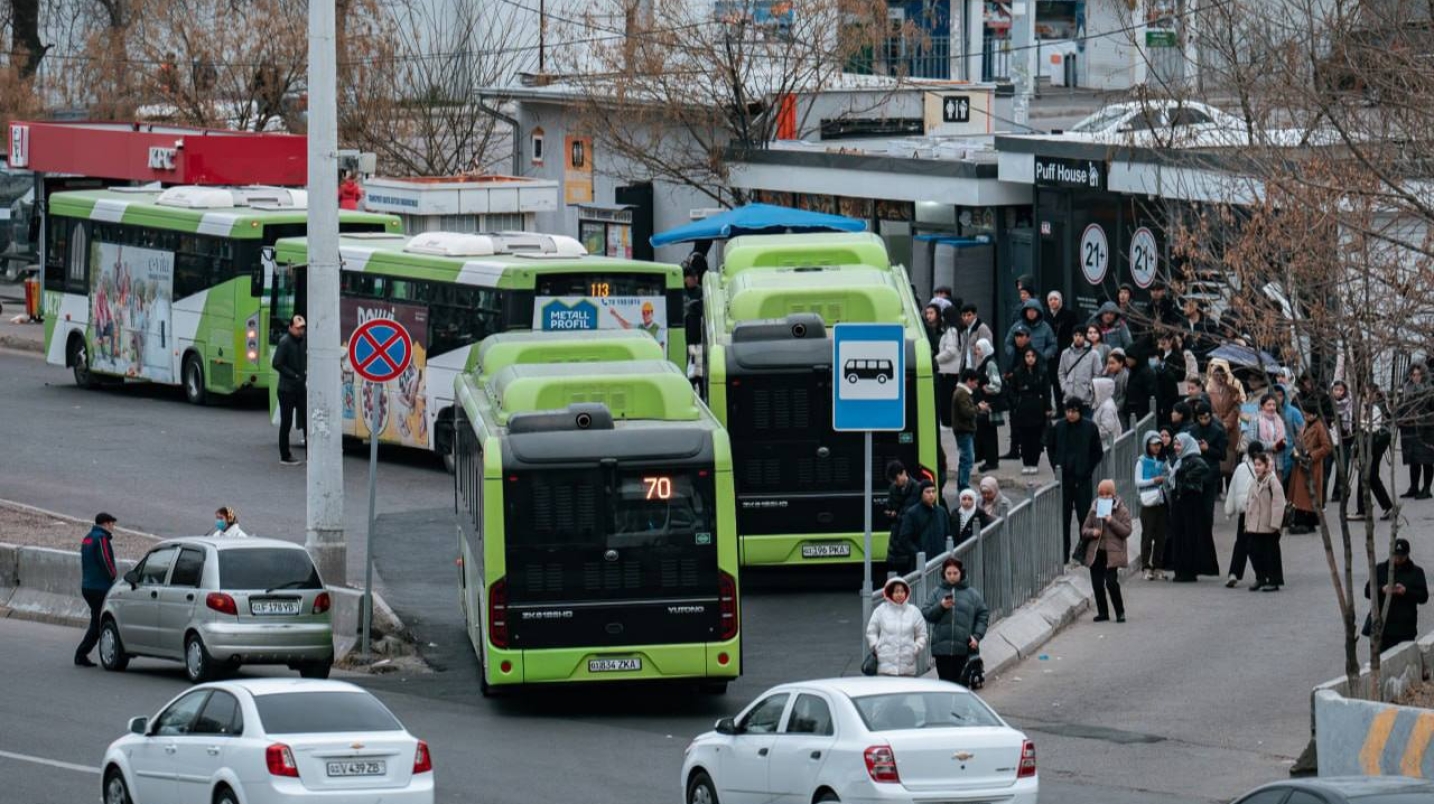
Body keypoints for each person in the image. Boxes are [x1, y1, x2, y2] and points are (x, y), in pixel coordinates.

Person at [1047, 397, 1104, 561]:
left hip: (1082, 479)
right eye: (1068, 411)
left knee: (1084, 518)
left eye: (1074, 411)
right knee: (1064, 518)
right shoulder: (1060, 427)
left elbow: (1097, 452)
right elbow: (1051, 447)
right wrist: (1056, 466)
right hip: (1064, 479)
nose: (1070, 414)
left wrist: (1087, 469)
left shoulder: (1089, 428)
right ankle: (1064, 554)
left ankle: (1083, 551)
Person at [922, 558, 989, 684]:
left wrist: (976, 636)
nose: (952, 577)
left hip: (964, 649)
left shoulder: (972, 594)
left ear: (961, 573)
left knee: (962, 686)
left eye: (955, 573)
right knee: (946, 685)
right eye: (949, 573)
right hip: (942, 651)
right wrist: (941, 606)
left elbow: (983, 615)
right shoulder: (936, 593)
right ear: (944, 574)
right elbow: (926, 613)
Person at [1164, 432, 1220, 582]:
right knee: (1179, 535)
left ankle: (1188, 570)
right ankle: (1180, 569)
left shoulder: (1193, 458)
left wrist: (1186, 477)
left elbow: (1204, 469)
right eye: (1175, 444)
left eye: (1178, 444)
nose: (1176, 447)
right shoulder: (1179, 460)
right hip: (1180, 502)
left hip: (1190, 502)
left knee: (1189, 535)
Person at [1079, 480, 1133, 622]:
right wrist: (1092, 532)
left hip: (1112, 553)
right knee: (1097, 583)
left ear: (1113, 494)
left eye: (1108, 494)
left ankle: (1120, 612)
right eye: (1101, 494)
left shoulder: (1121, 510)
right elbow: (1084, 529)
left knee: (1111, 582)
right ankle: (1103, 612)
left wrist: (1111, 521)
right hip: (1097, 552)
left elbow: (1127, 531)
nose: (1104, 497)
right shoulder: (1094, 509)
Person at [1364, 538, 1429, 650]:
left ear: (1407, 555)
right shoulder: (1380, 569)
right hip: (1382, 627)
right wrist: (1381, 590)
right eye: (1395, 556)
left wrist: (1406, 592)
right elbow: (1367, 591)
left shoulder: (1416, 572)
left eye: (1401, 557)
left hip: (1404, 629)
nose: (1398, 559)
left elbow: (1423, 597)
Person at [75, 513, 119, 667]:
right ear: (106, 524)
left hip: (88, 585)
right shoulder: (101, 539)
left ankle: (82, 654)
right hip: (99, 587)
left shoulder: (88, 537)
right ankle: (81, 654)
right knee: (99, 623)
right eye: (112, 524)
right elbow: (105, 559)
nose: (113, 527)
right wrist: (113, 575)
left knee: (97, 620)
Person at [866, 577, 928, 677]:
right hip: (884, 666)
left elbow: (922, 635)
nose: (899, 594)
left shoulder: (914, 611)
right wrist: (876, 646)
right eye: (896, 591)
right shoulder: (881, 610)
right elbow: (871, 631)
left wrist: (916, 648)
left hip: (907, 667)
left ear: (906, 592)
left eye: (902, 591)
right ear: (890, 593)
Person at [1244, 452, 1287, 591]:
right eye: (1255, 464)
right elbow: (1249, 503)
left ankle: (1274, 580)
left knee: (1271, 554)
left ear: (1267, 466)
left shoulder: (1273, 482)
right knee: (1253, 550)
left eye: (1259, 465)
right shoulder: (1255, 481)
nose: (1257, 468)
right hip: (1255, 525)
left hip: (1268, 525)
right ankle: (1260, 577)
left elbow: (1279, 504)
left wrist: (1275, 524)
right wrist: (1247, 523)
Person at [1287, 402, 1332, 534]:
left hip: (1311, 466)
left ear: (1314, 415)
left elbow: (1327, 447)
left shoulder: (1319, 427)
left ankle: (1305, 522)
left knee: (1306, 495)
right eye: (1304, 414)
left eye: (1307, 415)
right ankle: (1307, 522)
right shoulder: (1307, 424)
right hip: (1301, 463)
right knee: (1302, 495)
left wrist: (1311, 456)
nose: (1305, 417)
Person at [1351, 386, 1395, 521]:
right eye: (1364, 394)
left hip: (1373, 446)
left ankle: (1373, 508)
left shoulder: (1376, 407)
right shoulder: (1367, 407)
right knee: (1368, 477)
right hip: (1369, 445)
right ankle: (1366, 508)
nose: (1366, 397)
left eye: (1368, 394)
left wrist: (1361, 424)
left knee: (1369, 476)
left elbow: (1374, 427)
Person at [1224, 443, 1264, 587]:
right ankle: (1259, 574)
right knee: (1251, 543)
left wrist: (1229, 509)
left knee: (1242, 542)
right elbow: (1233, 488)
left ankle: (1234, 573)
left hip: (1247, 509)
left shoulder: (1241, 468)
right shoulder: (1263, 466)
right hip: (1253, 510)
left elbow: (1232, 489)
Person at [1009, 347, 1050, 475]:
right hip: (1023, 408)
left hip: (1038, 406)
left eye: (1032, 356)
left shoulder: (1042, 371)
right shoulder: (1017, 372)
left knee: (1036, 436)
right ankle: (1026, 462)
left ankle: (1034, 462)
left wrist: (1048, 408)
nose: (1030, 359)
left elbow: (1047, 391)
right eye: (1027, 356)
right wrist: (1016, 403)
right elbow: (1011, 391)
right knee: (1025, 437)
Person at [272, 315, 307, 466]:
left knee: (307, 422)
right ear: (291, 327)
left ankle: (311, 455)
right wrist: (294, 375)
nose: (301, 331)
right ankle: (285, 456)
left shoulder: (303, 341)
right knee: (286, 423)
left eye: (303, 328)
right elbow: (277, 363)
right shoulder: (285, 342)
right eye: (299, 328)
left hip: (300, 388)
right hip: (286, 389)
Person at [1206, 358, 1246, 486]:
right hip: (1215, 425)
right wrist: (1216, 421)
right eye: (1215, 374)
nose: (1218, 377)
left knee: (1230, 459)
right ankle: (1216, 489)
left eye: (1221, 374)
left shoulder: (1234, 387)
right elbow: (1208, 407)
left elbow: (1238, 405)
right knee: (1216, 457)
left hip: (1231, 427)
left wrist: (1228, 422)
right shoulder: (1209, 388)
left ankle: (1230, 488)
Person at [1135, 431, 1169, 580]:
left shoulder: (1164, 460)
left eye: (1159, 445)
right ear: (1147, 445)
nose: (1156, 447)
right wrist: (1154, 481)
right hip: (1148, 502)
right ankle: (1146, 567)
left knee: (1161, 536)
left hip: (1162, 501)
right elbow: (1138, 481)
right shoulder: (1141, 461)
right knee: (1147, 536)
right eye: (1153, 444)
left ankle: (1158, 566)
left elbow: (1170, 475)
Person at [1398, 363, 1434, 500]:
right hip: (1410, 429)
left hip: (1427, 430)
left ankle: (1426, 488)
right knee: (1414, 459)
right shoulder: (1406, 389)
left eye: (1418, 374)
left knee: (1427, 460)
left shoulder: (1430, 389)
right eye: (1413, 375)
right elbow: (1401, 407)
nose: (1416, 377)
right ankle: (1413, 487)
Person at [1001, 325, 1036, 460]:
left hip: (1026, 394)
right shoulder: (1014, 352)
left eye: (1022, 336)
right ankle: (1014, 450)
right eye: (1017, 336)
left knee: (1027, 425)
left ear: (1028, 337)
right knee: (1014, 423)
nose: (1019, 339)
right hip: (1013, 393)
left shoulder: (1031, 353)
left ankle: (1028, 452)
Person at [898, 481, 952, 565]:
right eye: (928, 492)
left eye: (933, 491)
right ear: (921, 494)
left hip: (940, 559)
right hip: (922, 562)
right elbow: (904, 538)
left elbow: (947, 534)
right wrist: (918, 553)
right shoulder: (912, 513)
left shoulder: (941, 512)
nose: (931, 495)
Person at [884, 461, 922, 573]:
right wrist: (891, 514)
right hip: (895, 540)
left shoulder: (916, 488)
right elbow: (889, 507)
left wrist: (895, 515)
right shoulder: (893, 488)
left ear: (904, 473)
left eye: (897, 479)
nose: (896, 483)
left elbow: (908, 514)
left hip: (909, 538)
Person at [973, 338, 1003, 472]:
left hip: (989, 405)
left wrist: (987, 389)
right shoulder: (985, 362)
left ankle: (991, 461)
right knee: (985, 433)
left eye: (979, 348)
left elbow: (997, 385)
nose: (976, 351)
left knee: (989, 434)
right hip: (985, 404)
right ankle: (987, 458)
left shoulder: (990, 364)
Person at [1245, 393, 1289, 482]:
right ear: (1262, 406)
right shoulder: (1255, 419)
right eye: (1269, 405)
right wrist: (1272, 445)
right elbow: (1252, 441)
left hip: (1277, 461)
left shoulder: (1279, 420)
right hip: (1260, 460)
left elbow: (1284, 439)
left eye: (1274, 405)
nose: (1272, 407)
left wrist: (1282, 444)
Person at [1005, 298, 1058, 371]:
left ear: (1038, 312)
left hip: (1039, 367)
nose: (1031, 313)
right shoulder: (1017, 326)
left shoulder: (1046, 327)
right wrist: (1013, 354)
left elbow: (1053, 345)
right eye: (1029, 310)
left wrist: (1044, 356)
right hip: (1019, 366)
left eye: (1034, 310)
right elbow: (1008, 343)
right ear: (1025, 311)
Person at [1058, 327, 1101, 412]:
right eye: (1075, 335)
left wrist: (1090, 388)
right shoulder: (1065, 353)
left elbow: (1098, 373)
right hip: (1069, 397)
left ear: (1085, 337)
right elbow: (1061, 372)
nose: (1078, 338)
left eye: (1080, 335)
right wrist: (1064, 387)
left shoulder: (1094, 354)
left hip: (1086, 398)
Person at [951, 370, 980, 490]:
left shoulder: (961, 392)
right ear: (969, 381)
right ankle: (963, 486)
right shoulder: (962, 394)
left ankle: (962, 485)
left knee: (966, 459)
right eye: (975, 382)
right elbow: (966, 412)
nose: (976, 386)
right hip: (964, 431)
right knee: (967, 460)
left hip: (964, 430)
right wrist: (978, 408)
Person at [1123, 348, 1155, 423]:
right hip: (1131, 412)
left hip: (1142, 414)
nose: (1127, 360)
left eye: (1130, 357)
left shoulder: (1147, 373)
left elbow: (1151, 394)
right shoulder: (1132, 371)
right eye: (1126, 357)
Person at [1092, 376, 1122, 446]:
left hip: (1107, 446)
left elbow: (1107, 430)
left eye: (1095, 389)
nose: (1093, 392)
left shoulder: (1107, 407)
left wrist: (1091, 434)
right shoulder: (1101, 403)